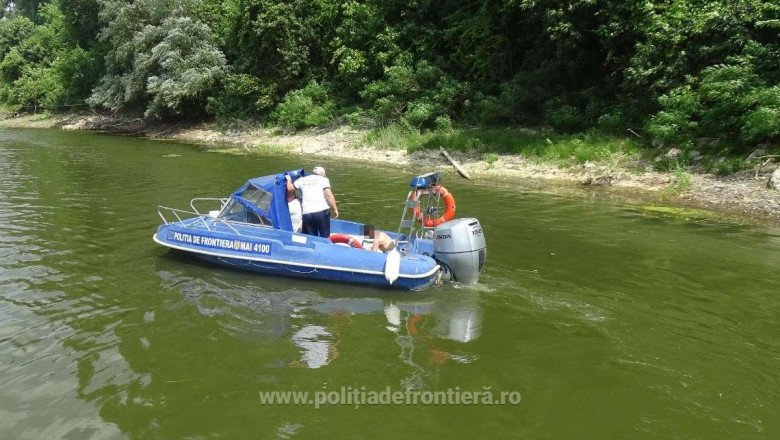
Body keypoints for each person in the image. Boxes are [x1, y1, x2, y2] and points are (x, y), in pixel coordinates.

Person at [286, 166, 338, 237]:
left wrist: (288, 179)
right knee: (325, 237)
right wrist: (335, 208)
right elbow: (328, 194)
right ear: (323, 175)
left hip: (307, 214)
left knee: (311, 238)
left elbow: (289, 189)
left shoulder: (302, 180)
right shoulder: (323, 179)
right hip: (321, 212)